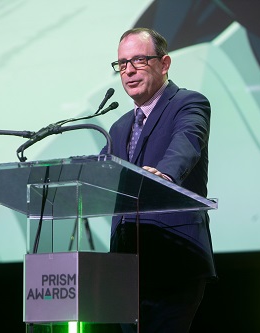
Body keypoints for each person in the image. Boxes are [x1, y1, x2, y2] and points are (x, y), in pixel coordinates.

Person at [100, 27, 217, 333]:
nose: (128, 71)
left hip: (174, 261)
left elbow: (186, 144)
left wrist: (163, 175)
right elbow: (100, 176)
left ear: (164, 63)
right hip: (127, 269)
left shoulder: (188, 104)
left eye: (138, 60)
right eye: (122, 63)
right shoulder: (119, 127)